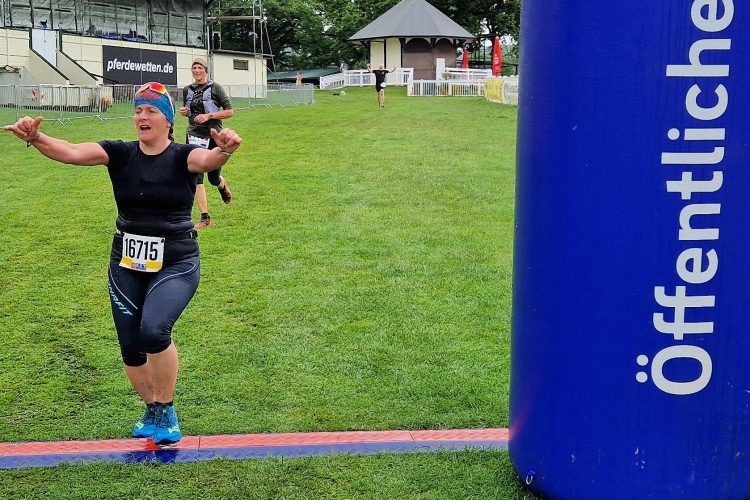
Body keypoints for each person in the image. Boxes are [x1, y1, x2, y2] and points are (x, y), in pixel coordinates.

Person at [3, 82, 242, 445]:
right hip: (126, 260)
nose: (142, 116)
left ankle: (167, 409)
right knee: (130, 345)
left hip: (176, 259)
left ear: (168, 121)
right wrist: (36, 138)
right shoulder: (120, 153)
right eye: (138, 110)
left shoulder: (183, 156)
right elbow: (71, 151)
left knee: (154, 331)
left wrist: (223, 151)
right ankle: (151, 408)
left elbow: (207, 161)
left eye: (151, 111)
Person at [179, 57, 234, 230]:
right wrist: (185, 112)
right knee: (196, 176)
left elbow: (229, 111)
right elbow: (190, 111)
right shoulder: (187, 89)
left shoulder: (215, 87)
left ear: (205, 70)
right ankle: (205, 217)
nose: (196, 71)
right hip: (194, 135)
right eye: (194, 68)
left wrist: (209, 116)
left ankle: (222, 186)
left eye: (199, 68)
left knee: (213, 178)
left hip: (213, 136)